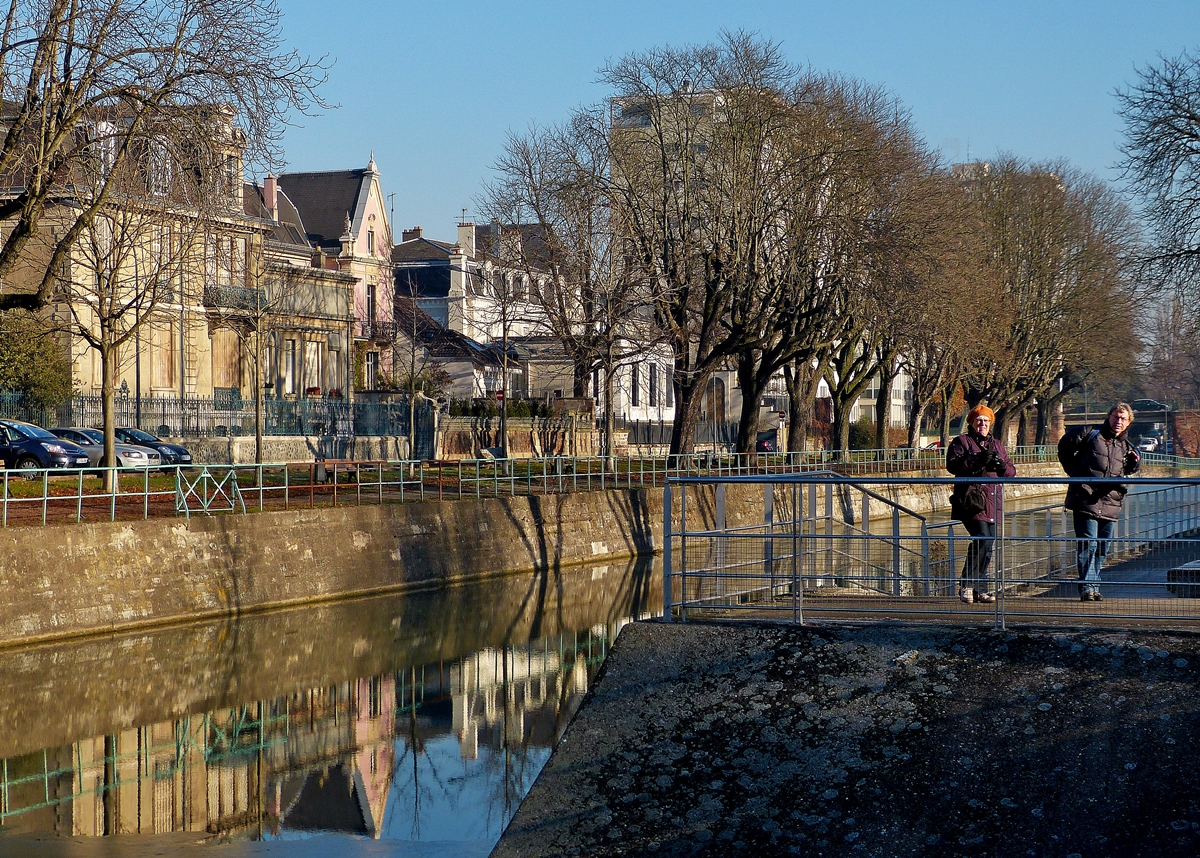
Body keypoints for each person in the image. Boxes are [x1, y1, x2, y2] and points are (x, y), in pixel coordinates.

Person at [1058, 403, 1140, 602]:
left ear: (1129, 422)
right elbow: (1064, 447)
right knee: (1088, 544)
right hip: (1087, 498)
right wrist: (1075, 474)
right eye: (1115, 417)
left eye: (1123, 419)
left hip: (1111, 502)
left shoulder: (1126, 445)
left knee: (1103, 547)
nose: (1118, 421)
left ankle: (1094, 585)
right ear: (1109, 416)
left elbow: (1129, 470)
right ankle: (1087, 587)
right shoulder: (1090, 433)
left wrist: (1135, 463)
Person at [946, 404, 1017, 604]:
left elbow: (1011, 471)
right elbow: (953, 465)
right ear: (971, 423)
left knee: (988, 545)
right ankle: (967, 585)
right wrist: (977, 459)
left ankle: (979, 588)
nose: (982, 424)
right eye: (979, 421)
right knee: (982, 539)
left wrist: (1002, 466)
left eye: (986, 421)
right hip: (972, 501)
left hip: (993, 502)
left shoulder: (997, 445)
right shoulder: (962, 442)